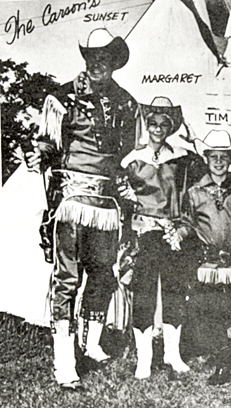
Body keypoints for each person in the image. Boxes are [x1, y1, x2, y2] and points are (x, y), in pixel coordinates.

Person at [26, 28, 137, 389]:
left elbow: (126, 153)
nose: (97, 64)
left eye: (104, 57)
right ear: (85, 59)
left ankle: (89, 344)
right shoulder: (62, 99)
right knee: (68, 276)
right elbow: (48, 143)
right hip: (72, 201)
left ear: (113, 61)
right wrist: (38, 154)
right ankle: (64, 357)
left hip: (106, 204)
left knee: (103, 273)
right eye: (92, 57)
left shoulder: (125, 102)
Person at [174, 130, 231, 401]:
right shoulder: (193, 193)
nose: (218, 161)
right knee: (210, 318)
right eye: (213, 156)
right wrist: (179, 234)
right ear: (206, 158)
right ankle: (224, 361)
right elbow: (186, 224)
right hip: (208, 265)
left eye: (223, 157)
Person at [118, 96, 206, 379]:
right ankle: (144, 360)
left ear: (171, 127)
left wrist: (194, 140)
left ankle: (172, 354)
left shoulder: (181, 157)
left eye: (163, 124)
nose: (157, 129)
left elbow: (205, 172)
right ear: (147, 124)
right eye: (153, 123)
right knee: (143, 294)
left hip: (173, 234)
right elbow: (120, 197)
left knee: (174, 292)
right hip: (144, 234)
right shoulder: (131, 159)